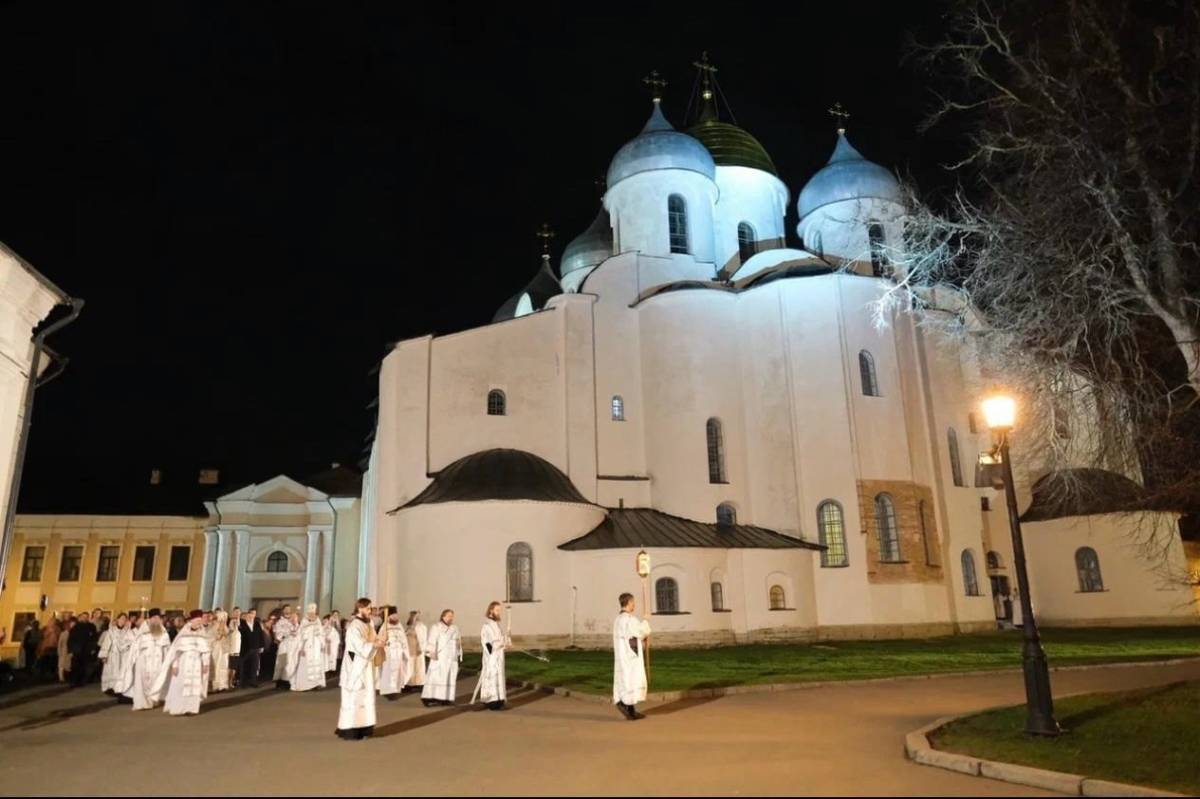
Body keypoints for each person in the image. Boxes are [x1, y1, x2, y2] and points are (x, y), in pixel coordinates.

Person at [336, 597, 385, 741]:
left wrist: (380, 641)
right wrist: (374, 645)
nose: (370, 611)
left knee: (366, 696)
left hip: (367, 665)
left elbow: (373, 639)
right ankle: (350, 730)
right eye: (368, 608)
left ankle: (365, 727)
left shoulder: (369, 623)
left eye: (370, 608)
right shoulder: (354, 626)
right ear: (360, 608)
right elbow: (358, 646)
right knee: (354, 698)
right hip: (356, 666)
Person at [153, 610, 211, 716]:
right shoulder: (183, 634)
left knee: (195, 686)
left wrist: (205, 663)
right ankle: (179, 708)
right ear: (192, 621)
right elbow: (176, 651)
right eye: (197, 620)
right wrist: (175, 665)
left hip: (196, 663)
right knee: (180, 686)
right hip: (184, 663)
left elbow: (206, 650)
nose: (199, 623)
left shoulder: (202, 634)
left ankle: (191, 708)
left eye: (200, 621)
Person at [120, 609, 171, 710]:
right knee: (142, 682)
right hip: (143, 661)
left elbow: (167, 648)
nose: (156, 620)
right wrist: (133, 660)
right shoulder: (142, 632)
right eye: (154, 618)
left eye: (158, 618)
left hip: (157, 661)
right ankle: (142, 703)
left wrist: (168, 661)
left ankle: (153, 701)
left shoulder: (163, 632)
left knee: (155, 680)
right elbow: (135, 647)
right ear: (150, 618)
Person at [612, 592, 651, 721]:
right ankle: (624, 705)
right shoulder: (629, 620)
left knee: (625, 680)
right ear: (628, 603)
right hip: (631, 656)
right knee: (631, 680)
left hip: (622, 655)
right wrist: (646, 620)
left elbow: (632, 635)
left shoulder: (618, 620)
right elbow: (642, 631)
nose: (634, 605)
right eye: (633, 602)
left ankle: (630, 710)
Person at [421, 609, 461, 707]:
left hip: (451, 657)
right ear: (443, 616)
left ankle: (446, 699)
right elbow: (431, 640)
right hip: (440, 657)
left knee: (449, 678)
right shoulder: (436, 627)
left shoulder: (455, 628)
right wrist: (432, 652)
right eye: (449, 616)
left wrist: (458, 651)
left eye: (452, 616)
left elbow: (458, 640)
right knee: (436, 677)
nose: (451, 618)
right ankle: (428, 698)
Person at [476, 601, 509, 711]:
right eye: (497, 610)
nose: (499, 612)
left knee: (499, 677)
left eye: (499, 610)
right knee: (492, 677)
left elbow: (501, 638)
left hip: (499, 656)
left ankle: (500, 700)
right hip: (491, 657)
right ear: (491, 610)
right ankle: (491, 701)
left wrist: (505, 642)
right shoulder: (486, 626)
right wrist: (497, 645)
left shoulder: (497, 625)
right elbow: (486, 642)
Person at [377, 607, 412, 701]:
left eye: (396, 615)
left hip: (399, 653)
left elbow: (404, 639)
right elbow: (380, 640)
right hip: (388, 653)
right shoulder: (384, 626)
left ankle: (395, 690)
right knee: (388, 672)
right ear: (389, 617)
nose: (396, 617)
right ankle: (387, 691)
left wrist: (405, 651)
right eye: (394, 615)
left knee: (398, 672)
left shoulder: (399, 626)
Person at [290, 604, 326, 692]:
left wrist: (322, 644)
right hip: (306, 646)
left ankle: (316, 683)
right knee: (306, 664)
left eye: (313, 613)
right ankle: (305, 685)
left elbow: (321, 633)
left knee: (316, 663)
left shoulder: (317, 621)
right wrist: (301, 648)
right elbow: (300, 635)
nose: (312, 615)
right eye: (310, 613)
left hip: (316, 646)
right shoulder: (304, 622)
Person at [98, 613, 133, 694]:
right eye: (121, 619)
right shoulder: (111, 631)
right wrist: (104, 655)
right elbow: (106, 643)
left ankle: (120, 688)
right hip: (112, 654)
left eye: (124, 619)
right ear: (118, 619)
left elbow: (132, 641)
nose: (123, 621)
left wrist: (127, 646)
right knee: (111, 671)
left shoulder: (128, 631)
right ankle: (110, 687)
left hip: (124, 655)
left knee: (121, 672)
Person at [274, 607, 300, 690]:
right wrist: (287, 633)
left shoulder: (298, 625)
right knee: (283, 663)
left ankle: (290, 681)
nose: (293, 619)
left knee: (292, 664)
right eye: (292, 617)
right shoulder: (281, 622)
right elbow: (278, 634)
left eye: (295, 617)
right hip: (285, 646)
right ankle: (281, 682)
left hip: (295, 648)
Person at [238, 609, 265, 688]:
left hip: (255, 647)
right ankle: (242, 682)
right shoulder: (242, 624)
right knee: (242, 665)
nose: (251, 616)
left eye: (253, 614)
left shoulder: (257, 624)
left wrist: (261, 646)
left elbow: (261, 635)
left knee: (254, 665)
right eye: (250, 614)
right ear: (247, 615)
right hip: (245, 648)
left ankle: (253, 681)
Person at [209, 610, 232, 692]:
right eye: (223, 618)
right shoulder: (213, 627)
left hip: (224, 650)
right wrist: (217, 637)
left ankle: (223, 684)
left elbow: (228, 637)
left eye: (225, 618)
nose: (224, 620)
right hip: (216, 649)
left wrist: (225, 634)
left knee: (224, 666)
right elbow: (211, 638)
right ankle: (216, 684)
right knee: (217, 666)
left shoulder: (226, 627)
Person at [405, 610, 427, 691]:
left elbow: (422, 638)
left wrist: (421, 648)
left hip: (417, 650)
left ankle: (418, 684)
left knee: (418, 667)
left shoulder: (421, 626)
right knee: (410, 667)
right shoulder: (409, 626)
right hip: (410, 649)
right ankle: (410, 683)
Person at [227, 608, 243, 689]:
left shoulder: (241, 622)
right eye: (236, 612)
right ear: (232, 612)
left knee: (234, 667)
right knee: (229, 666)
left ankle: (231, 681)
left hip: (238, 648)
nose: (237, 614)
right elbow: (229, 631)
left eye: (239, 612)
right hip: (230, 647)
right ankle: (227, 682)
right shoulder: (229, 621)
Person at [57, 617, 74, 683]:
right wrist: (59, 651)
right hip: (63, 651)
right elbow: (60, 643)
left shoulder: (73, 633)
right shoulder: (63, 633)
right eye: (70, 625)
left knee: (68, 665)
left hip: (70, 651)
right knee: (61, 665)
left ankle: (67, 677)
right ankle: (61, 678)